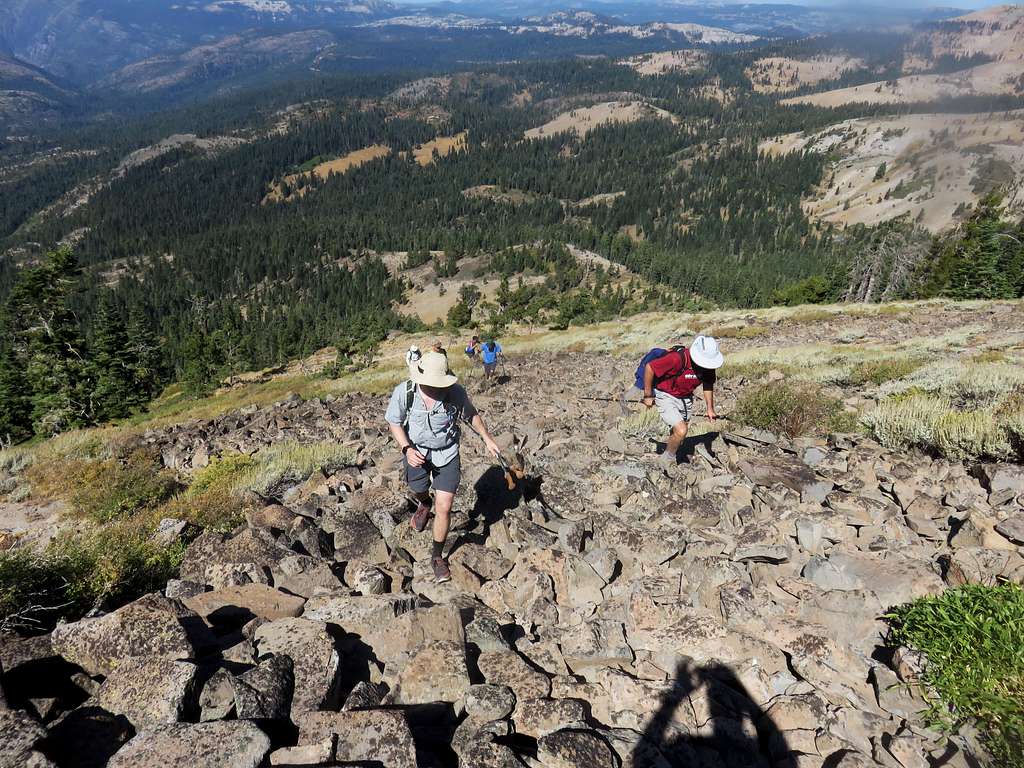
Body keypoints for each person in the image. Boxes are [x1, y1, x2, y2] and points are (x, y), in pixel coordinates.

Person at [385, 351, 501, 582]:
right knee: (416, 486)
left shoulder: (455, 392)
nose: (437, 388)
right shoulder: (405, 392)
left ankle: (437, 556)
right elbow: (394, 422)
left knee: (445, 506)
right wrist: (406, 449)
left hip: (447, 453)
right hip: (416, 451)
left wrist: (487, 438)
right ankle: (424, 502)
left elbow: (471, 415)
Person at [641, 335, 723, 466]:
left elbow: (708, 384)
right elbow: (650, 367)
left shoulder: (708, 367)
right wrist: (648, 395)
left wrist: (710, 408)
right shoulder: (677, 359)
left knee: (678, 433)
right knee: (681, 430)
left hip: (686, 398)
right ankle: (666, 461)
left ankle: (673, 450)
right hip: (666, 394)